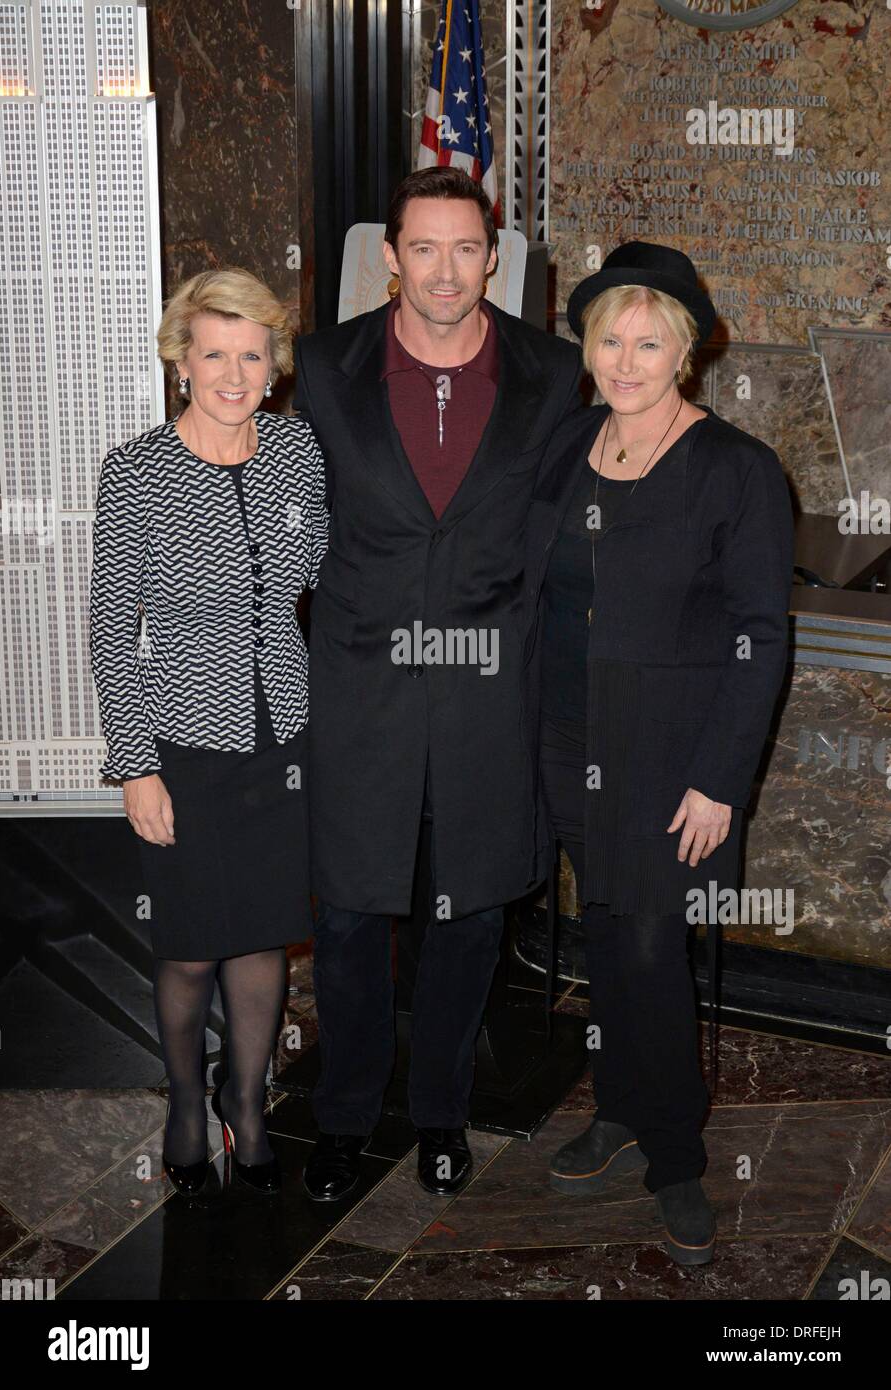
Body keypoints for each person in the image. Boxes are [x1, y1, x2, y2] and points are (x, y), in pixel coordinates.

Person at [293, 167, 583, 1201]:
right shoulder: (323, 367)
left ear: (492, 258)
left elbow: (570, 537)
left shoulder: (555, 374)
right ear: (390, 255)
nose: (445, 270)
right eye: (424, 247)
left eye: (466, 248)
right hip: (360, 693)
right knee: (347, 919)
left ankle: (438, 1113)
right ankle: (339, 1119)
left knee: (465, 918)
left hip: (486, 695)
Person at [522, 241, 794, 1265]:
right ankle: (622, 1106)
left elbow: (761, 634)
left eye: (648, 341)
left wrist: (720, 779)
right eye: (607, 339)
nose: (624, 360)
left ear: (684, 353)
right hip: (563, 737)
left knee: (645, 945)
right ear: (586, 348)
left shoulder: (734, 469)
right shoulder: (567, 444)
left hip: (669, 759)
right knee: (604, 930)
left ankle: (672, 1151)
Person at [89, 268, 328, 1198]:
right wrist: (135, 766)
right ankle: (186, 1102)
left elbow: (320, 566)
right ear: (181, 362)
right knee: (190, 944)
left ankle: (249, 1103)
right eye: (215, 353)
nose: (235, 373)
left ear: (274, 365)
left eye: (253, 354)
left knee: (262, 936)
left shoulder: (298, 453)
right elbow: (112, 629)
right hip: (183, 743)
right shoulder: (139, 470)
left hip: (286, 740)